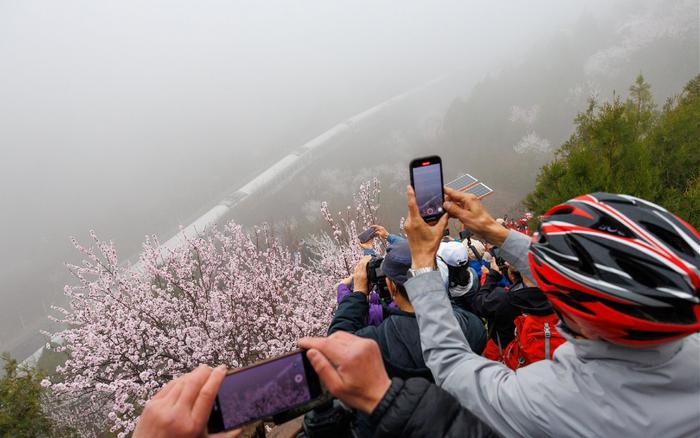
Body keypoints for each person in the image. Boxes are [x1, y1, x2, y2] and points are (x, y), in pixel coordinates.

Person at [402, 186, 700, 437]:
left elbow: (452, 365)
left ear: (579, 318)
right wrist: (495, 232)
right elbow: (577, 285)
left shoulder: (560, 399)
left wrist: (423, 264)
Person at [327, 239, 486, 382]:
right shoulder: (471, 325)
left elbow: (336, 348)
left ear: (392, 287)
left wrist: (359, 292)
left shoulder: (380, 340)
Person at [470, 257, 553, 361]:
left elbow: (478, 304)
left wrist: (492, 276)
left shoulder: (503, 298)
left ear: (515, 276)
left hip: (503, 352)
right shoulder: (558, 299)